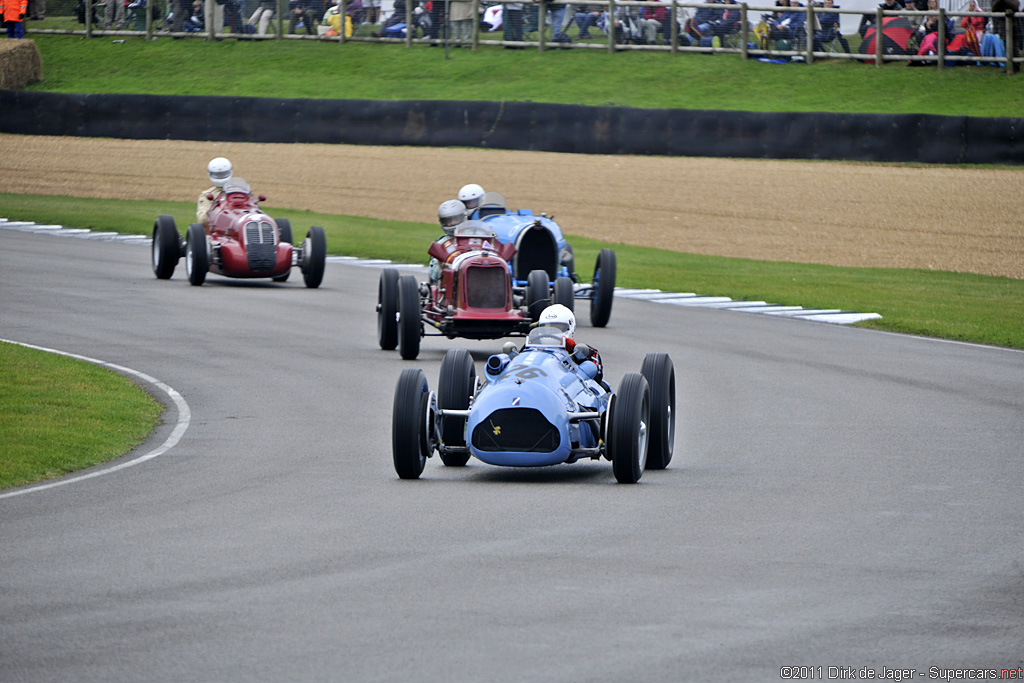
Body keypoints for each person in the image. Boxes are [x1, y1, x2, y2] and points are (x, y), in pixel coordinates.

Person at [534, 304, 603, 380]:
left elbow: (597, 378)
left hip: (567, 386)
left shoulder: (583, 352)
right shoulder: (531, 348)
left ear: (571, 327)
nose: (552, 332)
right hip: (539, 382)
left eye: (558, 328)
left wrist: (573, 351)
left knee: (605, 386)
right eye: (548, 328)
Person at [428, 199, 466, 284]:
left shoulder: (475, 236)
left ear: (463, 217)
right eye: (448, 221)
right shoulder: (441, 244)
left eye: (455, 219)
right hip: (450, 282)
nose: (451, 224)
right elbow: (434, 274)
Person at [197, 157, 233, 227]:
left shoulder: (239, 191)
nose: (220, 177)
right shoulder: (206, 195)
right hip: (216, 229)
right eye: (217, 175)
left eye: (223, 174)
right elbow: (202, 219)